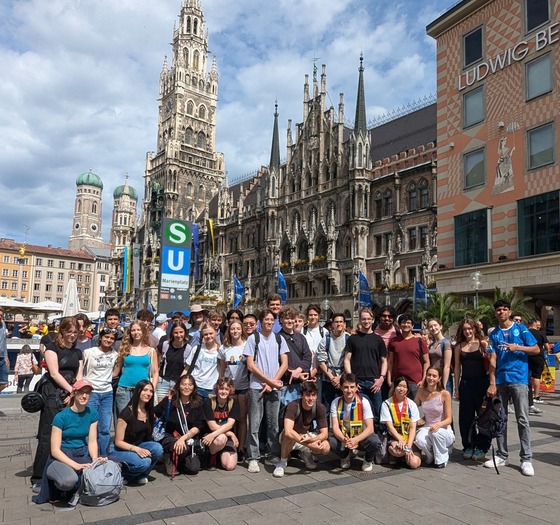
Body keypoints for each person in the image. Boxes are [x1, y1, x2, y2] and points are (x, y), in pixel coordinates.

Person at [485, 299, 539, 476]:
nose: (501, 312)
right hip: (501, 379)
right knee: (500, 418)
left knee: (522, 418)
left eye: (504, 309)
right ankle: (502, 454)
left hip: (519, 379)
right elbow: (492, 359)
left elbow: (536, 349)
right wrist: (492, 382)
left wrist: (518, 347)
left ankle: (526, 459)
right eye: (498, 310)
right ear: (496, 313)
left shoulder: (521, 329)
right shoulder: (494, 334)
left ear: (509, 311)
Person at [31, 317, 83, 493]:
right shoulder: (51, 348)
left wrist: (75, 393)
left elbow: (80, 375)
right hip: (53, 393)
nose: (72, 335)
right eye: (69, 332)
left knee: (67, 433)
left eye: (75, 332)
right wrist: (72, 391)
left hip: (71, 393)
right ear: (61, 331)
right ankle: (38, 476)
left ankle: (60, 470)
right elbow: (54, 373)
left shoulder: (77, 352)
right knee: (48, 434)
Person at [33, 379, 105, 506]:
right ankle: (59, 487)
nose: (84, 396)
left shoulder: (92, 414)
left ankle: (75, 487)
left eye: (88, 393)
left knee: (104, 471)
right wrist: (75, 465)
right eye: (81, 392)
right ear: (74, 393)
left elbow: (92, 442)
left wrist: (95, 460)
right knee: (69, 481)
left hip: (82, 453)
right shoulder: (60, 417)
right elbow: (55, 450)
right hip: (62, 456)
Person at [244, 308, 289, 473]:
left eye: (272, 320)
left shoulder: (279, 339)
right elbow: (250, 365)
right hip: (257, 387)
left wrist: (272, 383)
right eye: (266, 320)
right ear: (260, 322)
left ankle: (272, 453)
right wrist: (269, 382)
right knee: (254, 424)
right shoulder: (253, 338)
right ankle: (253, 457)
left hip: (273, 388)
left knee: (273, 424)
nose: (269, 323)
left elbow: (284, 363)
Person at [111, 380, 163, 484]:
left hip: (138, 445)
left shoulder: (150, 412)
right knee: (145, 462)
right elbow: (118, 442)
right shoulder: (126, 413)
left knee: (158, 448)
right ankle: (124, 475)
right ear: (138, 391)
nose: (148, 393)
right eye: (145, 390)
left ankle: (141, 475)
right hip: (122, 449)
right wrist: (136, 449)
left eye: (151, 391)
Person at [274, 381, 330, 477]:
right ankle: (282, 462)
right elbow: (288, 431)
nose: (311, 398)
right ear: (301, 395)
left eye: (313, 395)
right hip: (291, 437)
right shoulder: (293, 406)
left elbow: (324, 433)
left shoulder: (320, 407)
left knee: (326, 447)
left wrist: (313, 440)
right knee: (287, 436)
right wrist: (310, 445)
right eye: (307, 395)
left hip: (307, 436)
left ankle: (306, 454)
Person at [453, 318, 490, 461]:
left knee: (483, 417)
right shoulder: (458, 346)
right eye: (464, 329)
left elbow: (491, 362)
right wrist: (456, 387)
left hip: (482, 383)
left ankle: (482, 447)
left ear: (475, 329)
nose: (467, 331)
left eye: (470, 328)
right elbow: (457, 368)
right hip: (466, 383)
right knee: (465, 417)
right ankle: (468, 445)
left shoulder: (482, 344)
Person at [329, 373, 381, 472]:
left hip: (360, 435)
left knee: (375, 441)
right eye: (346, 387)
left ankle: (368, 459)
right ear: (341, 388)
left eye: (352, 387)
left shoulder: (364, 401)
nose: (349, 391)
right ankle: (345, 456)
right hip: (344, 436)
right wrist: (345, 440)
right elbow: (335, 428)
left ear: (357, 387)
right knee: (331, 442)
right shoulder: (335, 402)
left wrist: (355, 440)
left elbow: (370, 428)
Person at [343, 308, 387, 425]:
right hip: (358, 382)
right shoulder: (353, 339)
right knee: (359, 411)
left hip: (374, 382)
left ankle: (377, 438)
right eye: (363, 319)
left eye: (368, 319)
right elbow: (347, 359)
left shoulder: (378, 340)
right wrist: (352, 380)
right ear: (360, 320)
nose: (366, 321)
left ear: (373, 320)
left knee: (377, 412)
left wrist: (381, 378)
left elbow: (384, 360)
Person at [155, 375, 205, 476]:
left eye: (190, 385)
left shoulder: (198, 402)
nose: (187, 387)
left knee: (193, 469)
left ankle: (177, 461)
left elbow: (198, 426)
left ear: (194, 387)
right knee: (183, 447)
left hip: (187, 439)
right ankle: (169, 457)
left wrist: (183, 438)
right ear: (178, 386)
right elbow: (154, 412)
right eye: (184, 384)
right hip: (170, 437)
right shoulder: (170, 400)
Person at [83, 327, 119, 456]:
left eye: (111, 338)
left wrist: (107, 378)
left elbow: (116, 371)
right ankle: (90, 455)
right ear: (101, 337)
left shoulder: (115, 355)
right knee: (90, 426)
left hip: (107, 393)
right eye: (106, 337)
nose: (108, 340)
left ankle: (103, 455)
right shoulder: (89, 352)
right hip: (91, 392)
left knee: (105, 428)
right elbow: (81, 370)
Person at [218, 319, 249, 462]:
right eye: (232, 329)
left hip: (243, 387)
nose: (235, 331)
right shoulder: (224, 348)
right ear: (228, 331)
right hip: (229, 388)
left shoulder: (247, 346)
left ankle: (241, 447)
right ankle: (232, 445)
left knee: (242, 419)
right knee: (231, 420)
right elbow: (222, 369)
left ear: (241, 330)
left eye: (238, 328)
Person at [114, 321, 158, 416]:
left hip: (143, 390)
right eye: (133, 330)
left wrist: (152, 389)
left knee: (140, 419)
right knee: (123, 420)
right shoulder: (124, 349)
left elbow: (155, 372)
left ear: (143, 332)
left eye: (138, 330)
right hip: (124, 389)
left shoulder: (151, 351)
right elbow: (116, 371)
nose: (136, 332)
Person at [414, 367, 454, 467]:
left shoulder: (445, 394)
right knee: (419, 440)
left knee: (436, 433)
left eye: (434, 376)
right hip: (427, 426)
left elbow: (449, 419)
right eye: (429, 375)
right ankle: (431, 456)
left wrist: (439, 424)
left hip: (443, 428)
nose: (431, 378)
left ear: (439, 378)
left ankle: (441, 460)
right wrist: (418, 421)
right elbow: (413, 409)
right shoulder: (420, 392)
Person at [380, 376, 421, 469]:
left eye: (404, 386)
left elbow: (412, 427)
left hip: (409, 438)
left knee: (414, 464)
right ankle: (399, 456)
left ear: (407, 390)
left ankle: (405, 457)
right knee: (396, 451)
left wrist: (408, 447)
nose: (401, 389)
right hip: (395, 438)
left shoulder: (412, 404)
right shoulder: (386, 404)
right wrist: (400, 440)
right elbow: (390, 427)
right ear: (394, 387)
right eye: (399, 386)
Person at [387, 314, 429, 400]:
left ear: (412, 325)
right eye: (403, 322)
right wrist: (389, 379)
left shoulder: (420, 341)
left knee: (413, 409)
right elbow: (390, 361)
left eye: (408, 323)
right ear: (399, 325)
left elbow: (426, 362)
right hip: (398, 381)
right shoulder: (393, 341)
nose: (406, 325)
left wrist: (423, 380)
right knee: (397, 407)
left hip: (415, 382)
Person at [202, 377, 240, 471]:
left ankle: (220, 455)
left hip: (221, 437)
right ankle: (212, 455)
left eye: (227, 389)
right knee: (221, 438)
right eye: (221, 389)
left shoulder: (233, 403)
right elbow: (212, 426)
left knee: (229, 466)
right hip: (211, 436)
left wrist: (229, 433)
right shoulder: (209, 402)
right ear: (216, 389)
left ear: (230, 390)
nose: (223, 392)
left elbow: (230, 425)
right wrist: (230, 433)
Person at [278, 307, 312, 407]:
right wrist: (290, 373)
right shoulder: (277, 338)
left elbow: (307, 356)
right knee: (286, 414)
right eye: (287, 318)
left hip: (301, 383)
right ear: (281, 320)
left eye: (292, 319)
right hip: (286, 384)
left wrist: (299, 370)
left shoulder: (301, 337)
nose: (290, 321)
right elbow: (277, 361)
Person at [317, 313, 348, 410]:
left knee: (342, 408)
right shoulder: (326, 339)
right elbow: (321, 361)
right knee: (327, 408)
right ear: (332, 325)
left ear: (344, 324)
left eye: (341, 322)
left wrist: (340, 378)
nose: (338, 324)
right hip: (328, 379)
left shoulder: (349, 339)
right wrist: (332, 378)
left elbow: (351, 361)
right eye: (336, 322)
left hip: (344, 378)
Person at [157, 321, 191, 402]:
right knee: (160, 409)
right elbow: (157, 356)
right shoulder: (165, 345)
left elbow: (187, 367)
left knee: (175, 409)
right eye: (176, 332)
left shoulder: (188, 348)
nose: (179, 335)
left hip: (178, 382)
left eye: (181, 332)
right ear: (172, 333)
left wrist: (178, 383)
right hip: (163, 381)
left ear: (185, 333)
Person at [185, 322, 220, 400]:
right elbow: (187, 368)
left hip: (212, 389)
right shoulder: (197, 349)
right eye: (206, 334)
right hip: (196, 387)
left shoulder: (220, 350)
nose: (209, 336)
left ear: (216, 333)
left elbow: (222, 370)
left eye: (211, 333)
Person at [527, 319, 549, 407]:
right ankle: (536, 396)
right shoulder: (541, 334)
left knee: (526, 375)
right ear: (535, 325)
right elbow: (547, 346)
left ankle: (526, 394)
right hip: (538, 357)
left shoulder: (525, 332)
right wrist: (547, 351)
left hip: (526, 356)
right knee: (536, 377)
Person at [427, 318, 453, 393]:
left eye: (435, 325)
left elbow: (447, 365)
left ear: (440, 326)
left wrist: (444, 383)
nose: (433, 328)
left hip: (443, 378)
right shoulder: (431, 345)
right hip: (433, 378)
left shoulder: (446, 343)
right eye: (430, 326)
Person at [0, 307, 10, 393]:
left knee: (4, 383)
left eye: (1, 315)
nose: (0, 317)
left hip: (2, 357)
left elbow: (4, 342)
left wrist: (6, 357)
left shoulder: (3, 325)